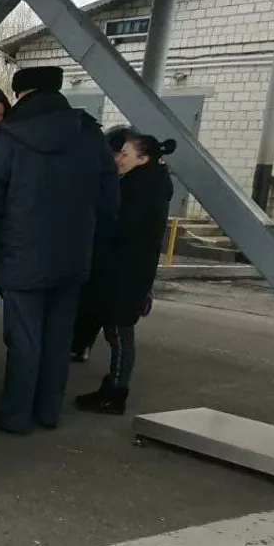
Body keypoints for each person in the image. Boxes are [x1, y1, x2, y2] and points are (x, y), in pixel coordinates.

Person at [0, 66, 120, 435]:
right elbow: (110, 201)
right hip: (73, 258)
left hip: (22, 256)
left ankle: (16, 416)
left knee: (24, 339)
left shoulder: (8, 136)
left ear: (21, 93)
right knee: (58, 338)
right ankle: (48, 412)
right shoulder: (90, 135)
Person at [75, 130, 176, 415]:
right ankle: (112, 388)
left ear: (143, 159)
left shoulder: (139, 189)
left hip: (125, 274)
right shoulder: (147, 184)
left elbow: (119, 227)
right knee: (117, 331)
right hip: (127, 271)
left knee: (119, 333)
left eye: (126, 154)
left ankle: (116, 393)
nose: (119, 159)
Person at [71, 125, 130, 361]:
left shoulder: (128, 184)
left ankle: (81, 343)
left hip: (105, 253)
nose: (118, 160)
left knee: (94, 303)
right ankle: (79, 343)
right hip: (91, 249)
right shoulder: (100, 175)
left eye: (123, 155)